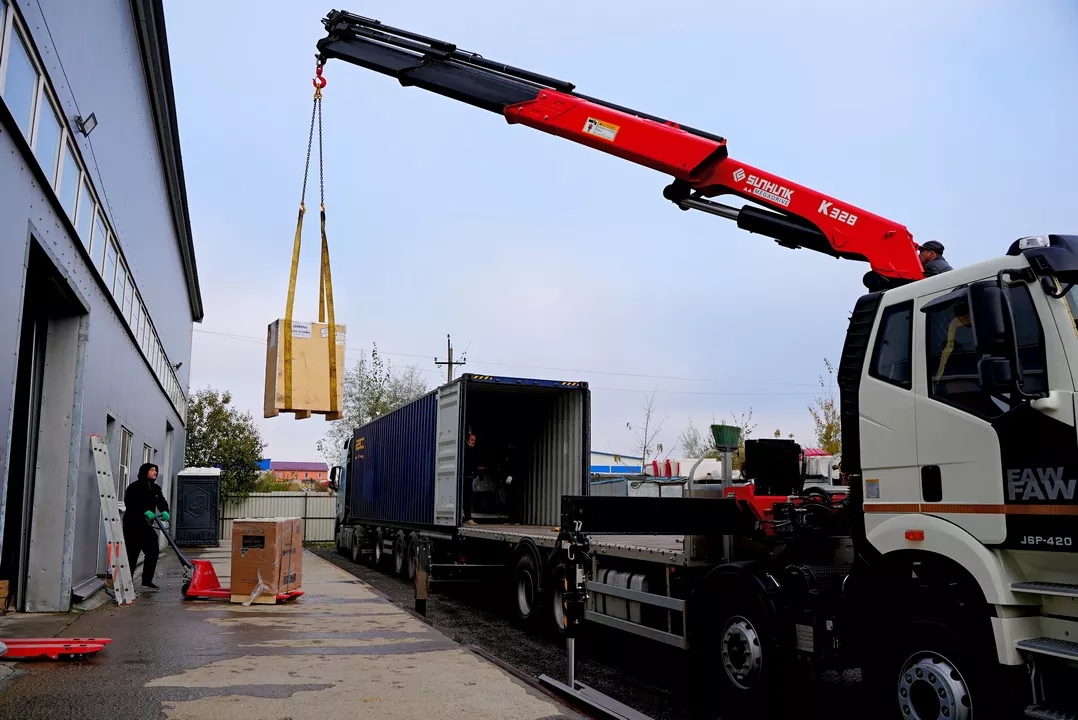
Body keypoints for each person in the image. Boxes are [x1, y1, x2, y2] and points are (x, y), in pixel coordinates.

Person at [122, 462, 170, 589]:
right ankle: (127, 584)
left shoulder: (155, 488)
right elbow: (129, 503)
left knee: (153, 550)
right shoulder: (134, 487)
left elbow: (161, 501)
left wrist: (165, 511)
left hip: (146, 525)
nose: (155, 472)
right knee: (132, 554)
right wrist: (144, 511)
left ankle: (147, 581)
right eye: (152, 470)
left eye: (156, 470)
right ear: (145, 472)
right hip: (132, 525)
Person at [461, 432, 483, 526]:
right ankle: (467, 518)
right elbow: (470, 464)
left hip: (469, 477)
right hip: (466, 477)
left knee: (468, 497)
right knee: (466, 498)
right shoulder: (467, 451)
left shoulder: (471, 450)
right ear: (467, 440)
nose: (473, 442)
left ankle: (466, 517)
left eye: (474, 440)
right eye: (471, 440)